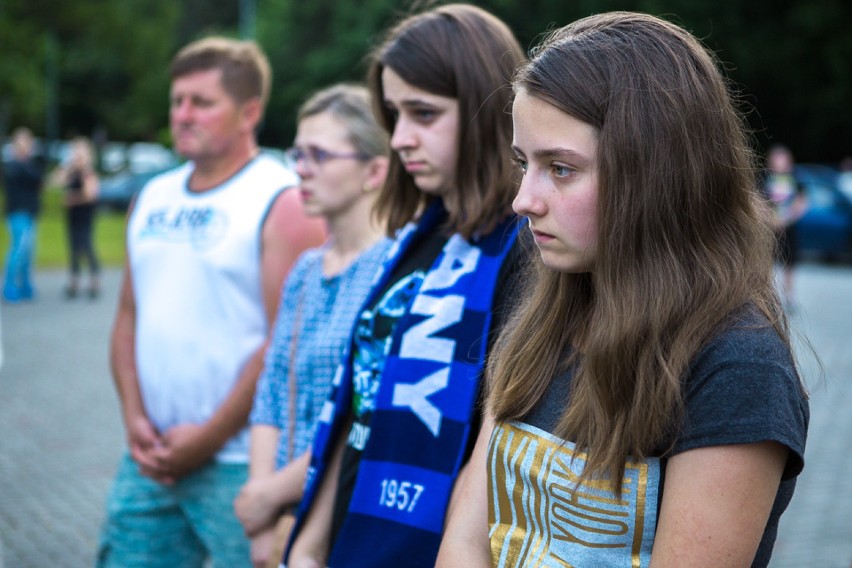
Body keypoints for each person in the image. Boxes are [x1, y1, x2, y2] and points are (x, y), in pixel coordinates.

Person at [437, 12, 809, 568]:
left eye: (560, 168)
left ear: (655, 175)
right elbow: (466, 541)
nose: (523, 199)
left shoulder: (737, 366)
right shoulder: (542, 317)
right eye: (523, 164)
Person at [286, 5, 526, 567]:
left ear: (487, 109)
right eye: (393, 114)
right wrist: (309, 546)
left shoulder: (528, 248)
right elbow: (357, 407)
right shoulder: (420, 234)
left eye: (423, 113)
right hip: (351, 538)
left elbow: (501, 445)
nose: (398, 139)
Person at [98, 36, 326, 567]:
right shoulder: (153, 196)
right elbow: (128, 318)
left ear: (249, 112)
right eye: (177, 101)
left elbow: (288, 342)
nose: (182, 115)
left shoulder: (283, 198)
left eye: (201, 102)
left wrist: (208, 436)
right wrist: (133, 417)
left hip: (241, 463)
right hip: (149, 460)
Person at [233, 83, 392, 568]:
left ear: (374, 170)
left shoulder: (396, 270)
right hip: (285, 508)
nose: (300, 168)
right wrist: (263, 502)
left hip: (348, 508)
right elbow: (273, 388)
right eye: (298, 153)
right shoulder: (305, 269)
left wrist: (272, 495)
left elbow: (369, 414)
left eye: (319, 155)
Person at [52, 136, 102, 299]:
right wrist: (68, 166)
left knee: (86, 246)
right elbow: (54, 182)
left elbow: (91, 194)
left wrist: (73, 198)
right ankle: (74, 281)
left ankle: (94, 281)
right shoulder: (72, 171)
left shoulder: (88, 173)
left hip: (85, 214)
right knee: (73, 248)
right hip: (72, 215)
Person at [2, 127, 44, 303]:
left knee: (28, 251)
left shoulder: (29, 165)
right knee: (18, 250)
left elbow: (38, 180)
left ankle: (25, 284)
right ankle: (9, 285)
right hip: (17, 212)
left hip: (29, 212)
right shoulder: (13, 165)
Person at [764, 143, 808, 311]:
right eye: (776, 158)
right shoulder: (764, 177)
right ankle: (768, 298)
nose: (779, 162)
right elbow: (757, 201)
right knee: (767, 264)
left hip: (789, 229)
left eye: (782, 158)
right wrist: (771, 220)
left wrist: (786, 219)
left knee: (789, 264)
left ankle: (789, 298)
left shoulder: (795, 178)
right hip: (769, 229)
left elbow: (801, 202)